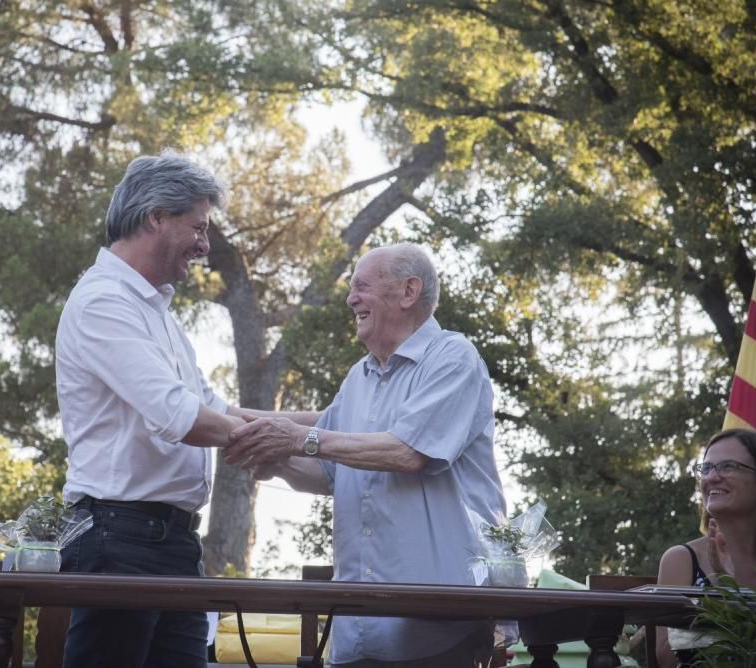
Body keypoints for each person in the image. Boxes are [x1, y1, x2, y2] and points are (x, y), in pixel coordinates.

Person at [56, 150, 318, 668]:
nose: (204, 245)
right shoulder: (103, 302)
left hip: (170, 544)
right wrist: (292, 443)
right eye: (198, 227)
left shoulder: (158, 313)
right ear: (157, 217)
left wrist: (330, 421)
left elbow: (213, 408)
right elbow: (181, 416)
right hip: (119, 540)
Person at [224, 243, 506, 668]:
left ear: (409, 291)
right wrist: (271, 455)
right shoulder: (360, 376)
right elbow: (327, 471)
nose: (350, 298)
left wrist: (294, 440)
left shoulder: (453, 357)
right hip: (356, 627)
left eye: (361, 287)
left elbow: (407, 452)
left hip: (435, 627)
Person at [655, 428, 756, 667]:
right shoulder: (681, 559)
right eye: (707, 468)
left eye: (728, 466)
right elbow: (667, 660)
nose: (711, 477)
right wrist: (723, 592)